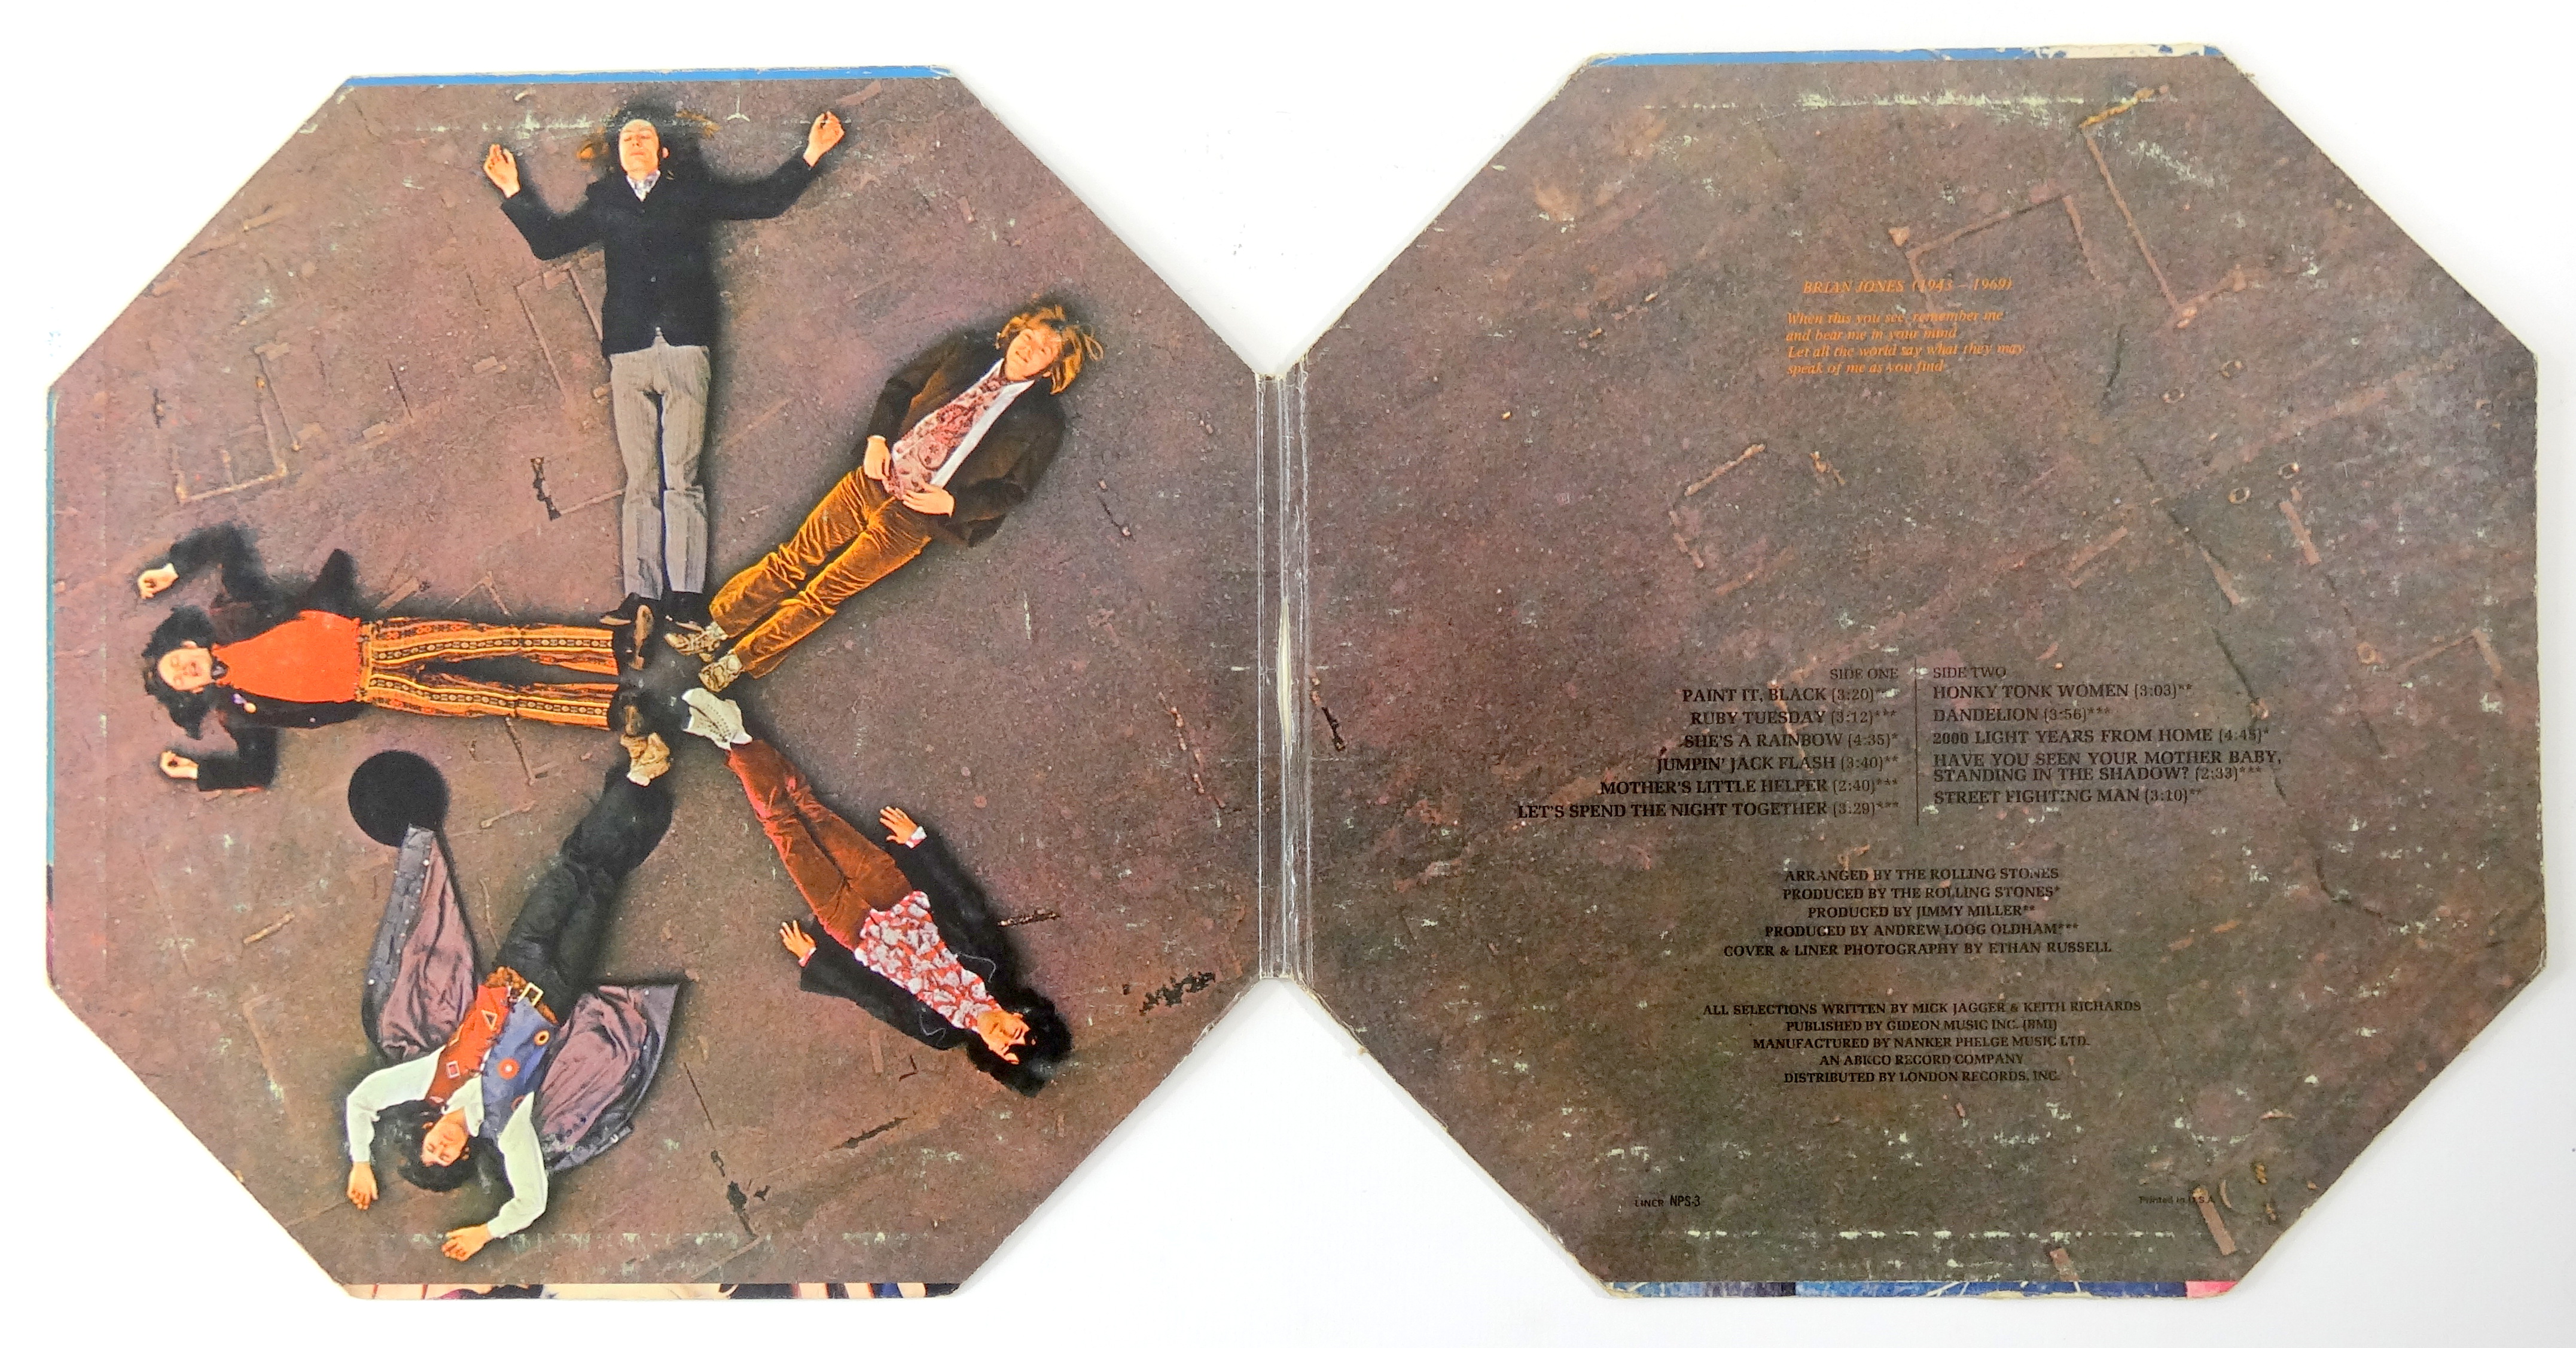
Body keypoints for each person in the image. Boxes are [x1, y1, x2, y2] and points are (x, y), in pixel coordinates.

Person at [484, 103, 847, 633]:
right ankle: (641, 595)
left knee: (682, 477)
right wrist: (513, 190)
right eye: (627, 137)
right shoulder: (604, 202)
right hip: (628, 350)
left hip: (685, 347)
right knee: (640, 479)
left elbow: (763, 201)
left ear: (663, 150)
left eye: (645, 136)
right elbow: (550, 243)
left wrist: (812, 153)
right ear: (617, 155)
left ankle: (686, 598)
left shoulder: (690, 193)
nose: (635, 141)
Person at [342, 711, 676, 1261]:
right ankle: (638, 782)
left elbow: (363, 1101)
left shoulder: (431, 1080)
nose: (438, 1146)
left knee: (570, 871)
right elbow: (531, 1202)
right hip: (557, 993)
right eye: (443, 1158)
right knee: (598, 887)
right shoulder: (507, 1125)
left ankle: (641, 776)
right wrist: (486, 1232)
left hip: (515, 966)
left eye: (428, 1146)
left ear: (427, 1130)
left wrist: (361, 1162)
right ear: (461, 1156)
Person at [669, 303, 1100, 691]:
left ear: (1052, 368)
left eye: (1044, 350)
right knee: (792, 558)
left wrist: (954, 505)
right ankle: (717, 630)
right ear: (1016, 332)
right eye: (1029, 337)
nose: (1029, 349)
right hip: (871, 481)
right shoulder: (965, 351)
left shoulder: (1044, 423)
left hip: (914, 522)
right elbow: (899, 388)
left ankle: (739, 662)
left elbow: (1014, 491)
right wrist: (876, 440)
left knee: (825, 593)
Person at [679, 690, 1069, 1093]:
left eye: (1007, 1049)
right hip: (894, 894)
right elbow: (967, 902)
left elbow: (878, 1002)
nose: (1004, 1036)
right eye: (1018, 1032)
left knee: (784, 831)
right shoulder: (996, 965)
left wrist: (816, 961)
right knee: (812, 811)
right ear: (1021, 1016)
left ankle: (736, 739)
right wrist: (920, 843)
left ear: (995, 1057)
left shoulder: (938, 1033)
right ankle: (736, 740)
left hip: (850, 927)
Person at [139, 527, 625, 791]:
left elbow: (226, 544)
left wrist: (172, 568)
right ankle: (605, 709)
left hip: (378, 641)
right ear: (193, 690)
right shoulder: (237, 710)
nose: (182, 670)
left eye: (176, 661)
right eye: (179, 680)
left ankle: (611, 649)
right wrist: (198, 772)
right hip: (375, 689)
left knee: (497, 640)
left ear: (188, 647)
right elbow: (255, 771)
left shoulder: (232, 614)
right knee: (496, 700)